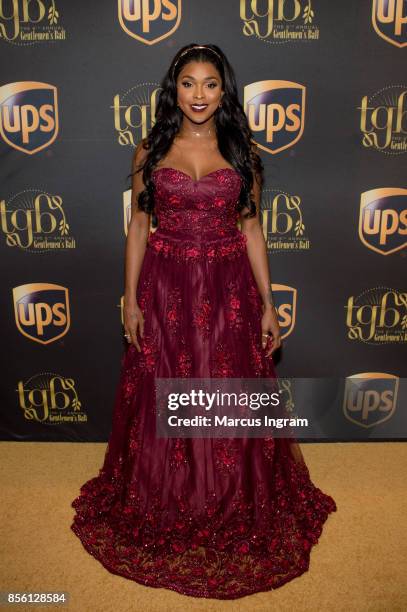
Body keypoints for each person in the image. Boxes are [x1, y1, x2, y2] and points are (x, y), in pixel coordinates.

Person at [70, 43, 337, 600]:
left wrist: (267, 301)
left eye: (209, 84)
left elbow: (253, 229)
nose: (198, 94)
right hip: (165, 286)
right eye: (188, 83)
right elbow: (139, 227)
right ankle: (172, 498)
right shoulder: (151, 148)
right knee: (164, 393)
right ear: (175, 90)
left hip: (227, 289)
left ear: (224, 90)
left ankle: (228, 497)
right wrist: (130, 299)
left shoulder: (242, 148)